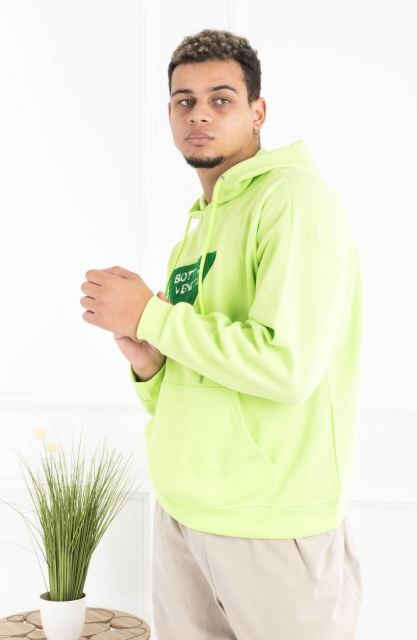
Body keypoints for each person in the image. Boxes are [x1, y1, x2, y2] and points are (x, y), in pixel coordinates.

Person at [81, 28, 363, 640]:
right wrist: (151, 363)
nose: (199, 114)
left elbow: (287, 367)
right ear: (169, 115)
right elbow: (196, 381)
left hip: (271, 524)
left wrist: (151, 316)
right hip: (182, 513)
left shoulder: (296, 203)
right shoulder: (196, 232)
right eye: (184, 101)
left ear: (258, 112)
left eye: (221, 99)